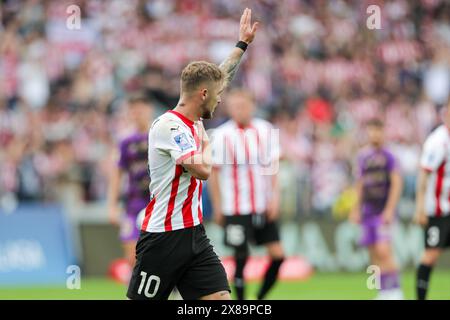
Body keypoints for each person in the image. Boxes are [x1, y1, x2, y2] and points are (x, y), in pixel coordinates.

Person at [126, 8, 259, 300]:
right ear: (202, 95)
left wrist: (242, 44)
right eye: (216, 95)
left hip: (194, 234)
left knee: (221, 300)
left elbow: (221, 75)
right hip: (163, 238)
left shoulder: (194, 121)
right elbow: (202, 170)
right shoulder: (168, 126)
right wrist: (207, 144)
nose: (220, 98)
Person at [209, 89, 284, 300]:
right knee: (241, 257)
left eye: (242, 105)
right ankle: (240, 303)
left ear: (252, 105)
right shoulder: (221, 135)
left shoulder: (266, 130)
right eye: (234, 106)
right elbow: (214, 174)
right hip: (235, 207)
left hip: (262, 205)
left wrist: (275, 199)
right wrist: (218, 206)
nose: (238, 110)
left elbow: (273, 168)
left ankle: (259, 299)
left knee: (278, 256)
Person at [349, 118, 404, 300]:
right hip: (367, 211)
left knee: (384, 251)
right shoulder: (363, 157)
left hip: (382, 211)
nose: (374, 134)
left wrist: (389, 209)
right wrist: (355, 209)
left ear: (383, 132)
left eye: (377, 131)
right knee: (373, 253)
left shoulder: (389, 156)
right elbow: (360, 185)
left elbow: (396, 184)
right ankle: (382, 292)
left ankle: (395, 292)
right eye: (371, 130)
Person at [107, 95, 153, 270]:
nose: (137, 113)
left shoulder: (159, 135)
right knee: (132, 254)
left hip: (158, 203)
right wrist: (111, 206)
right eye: (133, 110)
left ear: (149, 109)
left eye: (140, 109)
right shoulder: (126, 141)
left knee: (161, 255)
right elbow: (117, 173)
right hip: (133, 204)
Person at [415, 105, 450, 300]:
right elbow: (424, 174)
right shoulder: (438, 141)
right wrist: (419, 208)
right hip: (437, 211)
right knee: (430, 256)